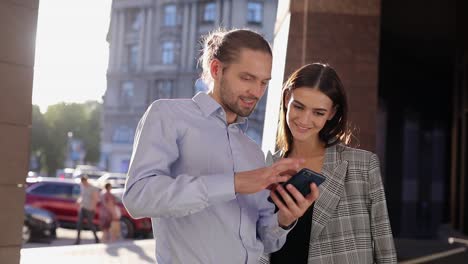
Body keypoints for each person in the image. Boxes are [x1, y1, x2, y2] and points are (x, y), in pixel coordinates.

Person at [122, 28, 320, 263]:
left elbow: (266, 240)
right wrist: (234, 183)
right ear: (217, 69)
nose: (256, 92)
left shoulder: (252, 151)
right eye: (246, 78)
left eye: (263, 82)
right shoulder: (168, 115)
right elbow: (138, 197)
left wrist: (285, 219)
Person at [265, 63, 397, 263]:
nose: (304, 119)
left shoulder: (362, 165)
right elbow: (258, 244)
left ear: (332, 113)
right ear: (286, 99)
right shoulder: (267, 168)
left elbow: (385, 247)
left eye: (318, 112)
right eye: (298, 106)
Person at [75, 175, 100, 244]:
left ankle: (96, 239)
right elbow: (82, 196)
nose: (83, 183)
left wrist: (94, 208)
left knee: (90, 224)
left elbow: (95, 199)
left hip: (89, 209)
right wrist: (79, 201)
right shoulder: (82, 187)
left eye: (84, 182)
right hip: (83, 207)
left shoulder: (92, 188)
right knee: (79, 224)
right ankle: (78, 240)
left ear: (86, 180)